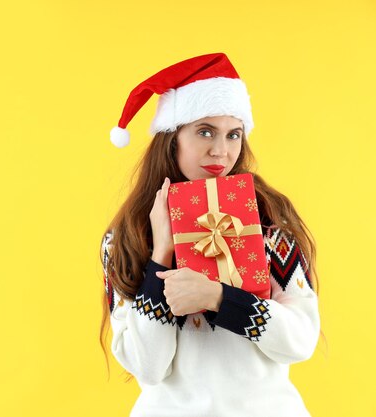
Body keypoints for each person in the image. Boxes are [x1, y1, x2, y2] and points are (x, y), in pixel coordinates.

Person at [99, 53, 322, 417]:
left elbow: (299, 340)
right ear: (172, 139)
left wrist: (221, 298)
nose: (221, 151)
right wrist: (161, 254)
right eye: (205, 131)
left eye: (233, 134)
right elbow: (148, 367)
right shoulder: (127, 238)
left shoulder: (270, 224)